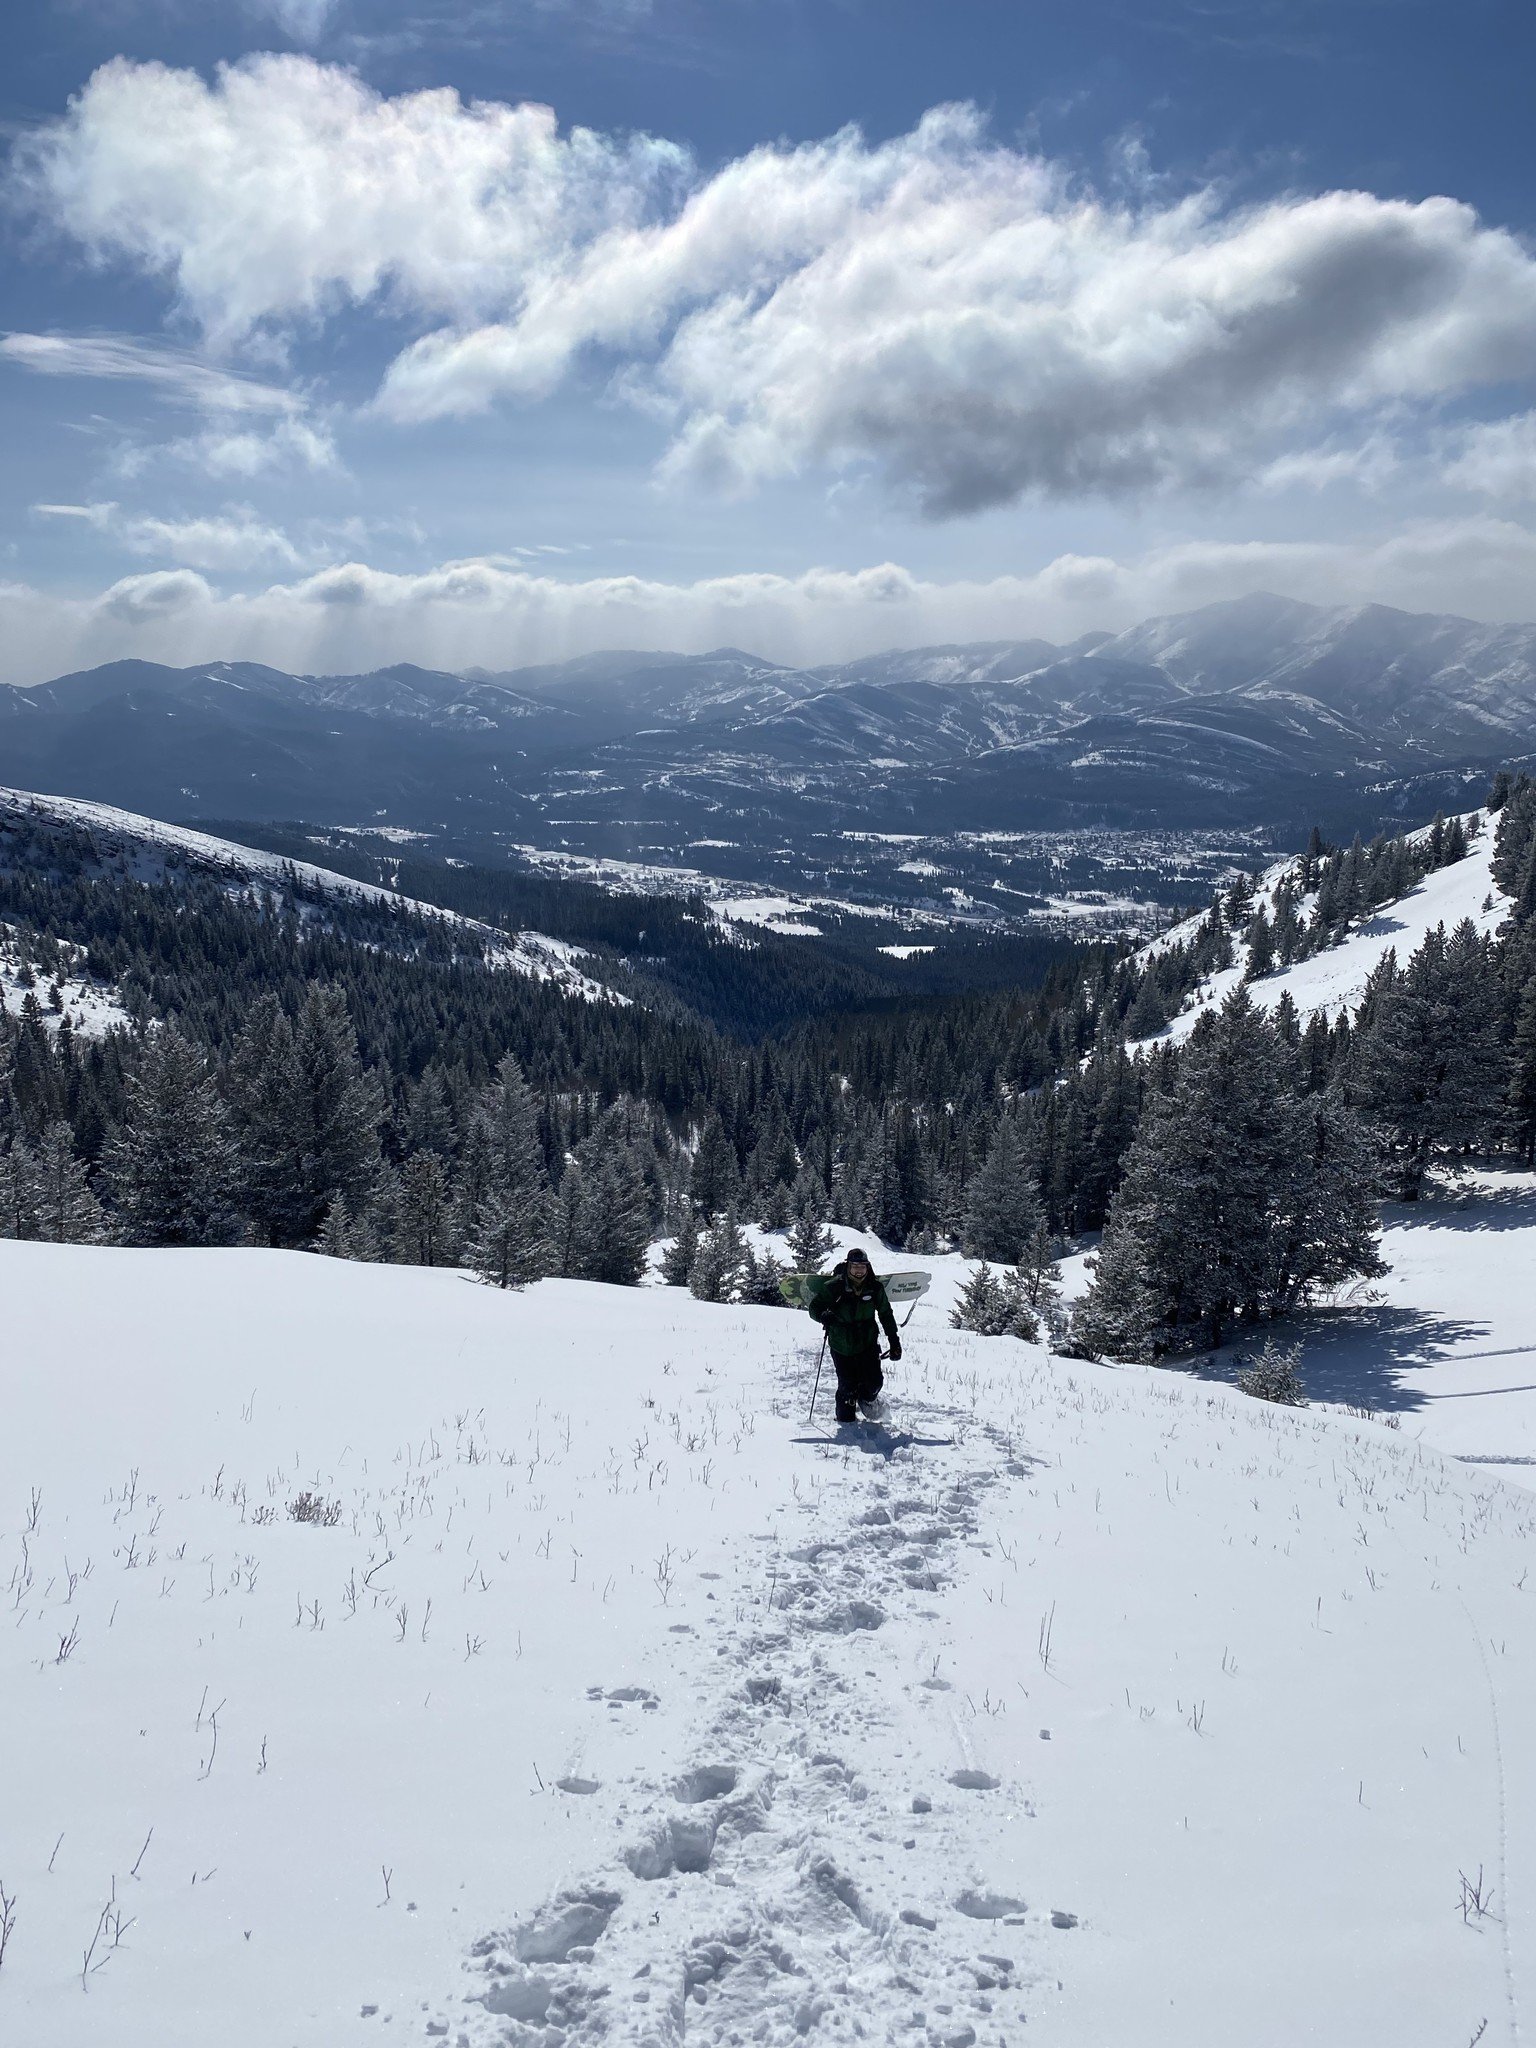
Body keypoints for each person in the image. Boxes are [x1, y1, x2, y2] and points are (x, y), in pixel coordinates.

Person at [807, 1246, 901, 1424]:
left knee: (874, 1383)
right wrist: (822, 1316)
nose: (859, 1272)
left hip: (867, 1342)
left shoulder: (874, 1288)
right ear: (848, 1267)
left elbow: (886, 1314)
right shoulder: (834, 1287)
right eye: (855, 1267)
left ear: (868, 1268)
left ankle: (867, 1401)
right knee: (847, 1387)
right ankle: (845, 1420)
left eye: (862, 1267)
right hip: (841, 1344)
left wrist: (894, 1342)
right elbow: (814, 1308)